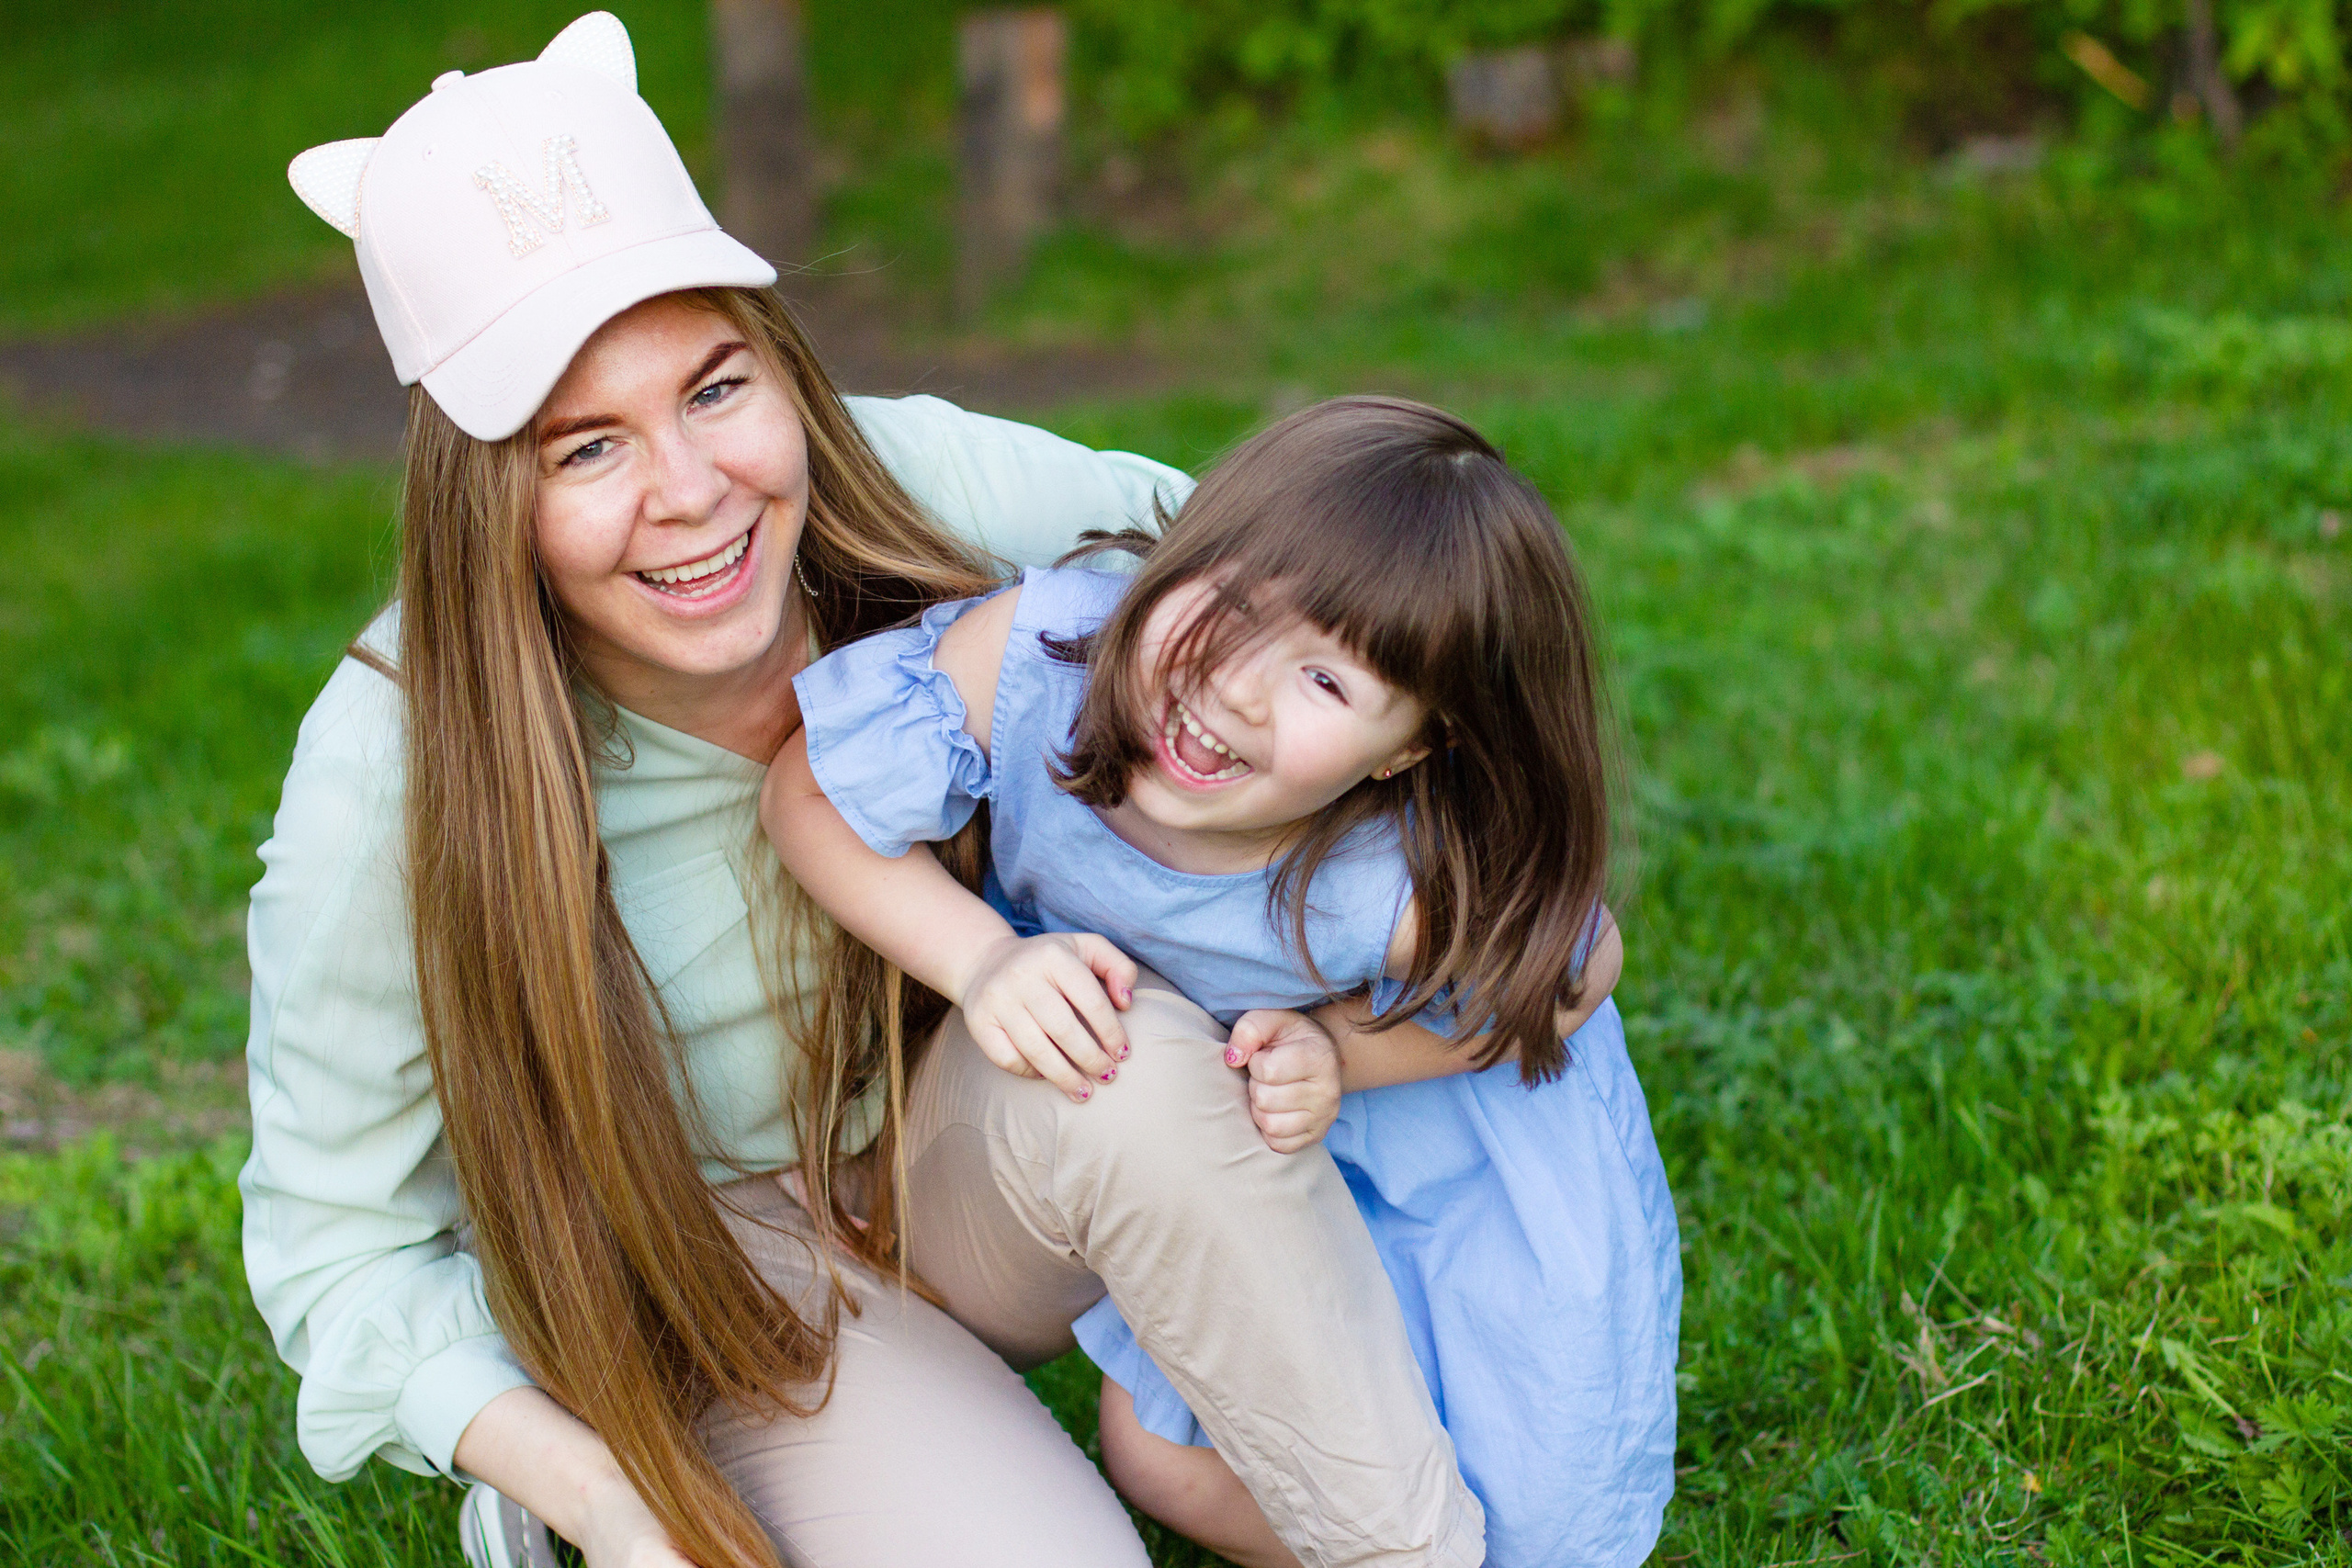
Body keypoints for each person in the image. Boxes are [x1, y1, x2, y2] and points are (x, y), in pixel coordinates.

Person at [242, 15, 1486, 1568]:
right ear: (483, 489)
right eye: (584, 450)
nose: (691, 491)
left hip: (960, 1143)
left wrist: (1405, 869)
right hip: (708, 1260)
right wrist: (605, 1499)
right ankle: (674, 1459)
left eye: (714, 388)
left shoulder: (915, 483)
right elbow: (338, 1248)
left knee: (1135, 1059)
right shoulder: (396, 763)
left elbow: (1288, 602)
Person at [765, 396, 1683, 1568]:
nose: (1235, 688)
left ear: (1404, 751)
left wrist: (1348, 1053)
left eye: (1328, 684)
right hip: (1168, 1149)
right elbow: (811, 791)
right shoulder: (1040, 661)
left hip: (1400, 1147)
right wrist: (981, 956)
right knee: (1163, 1464)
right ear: (1182, 556)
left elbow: (1569, 973)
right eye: (1232, 611)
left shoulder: (1382, 880)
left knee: (1531, 1517)